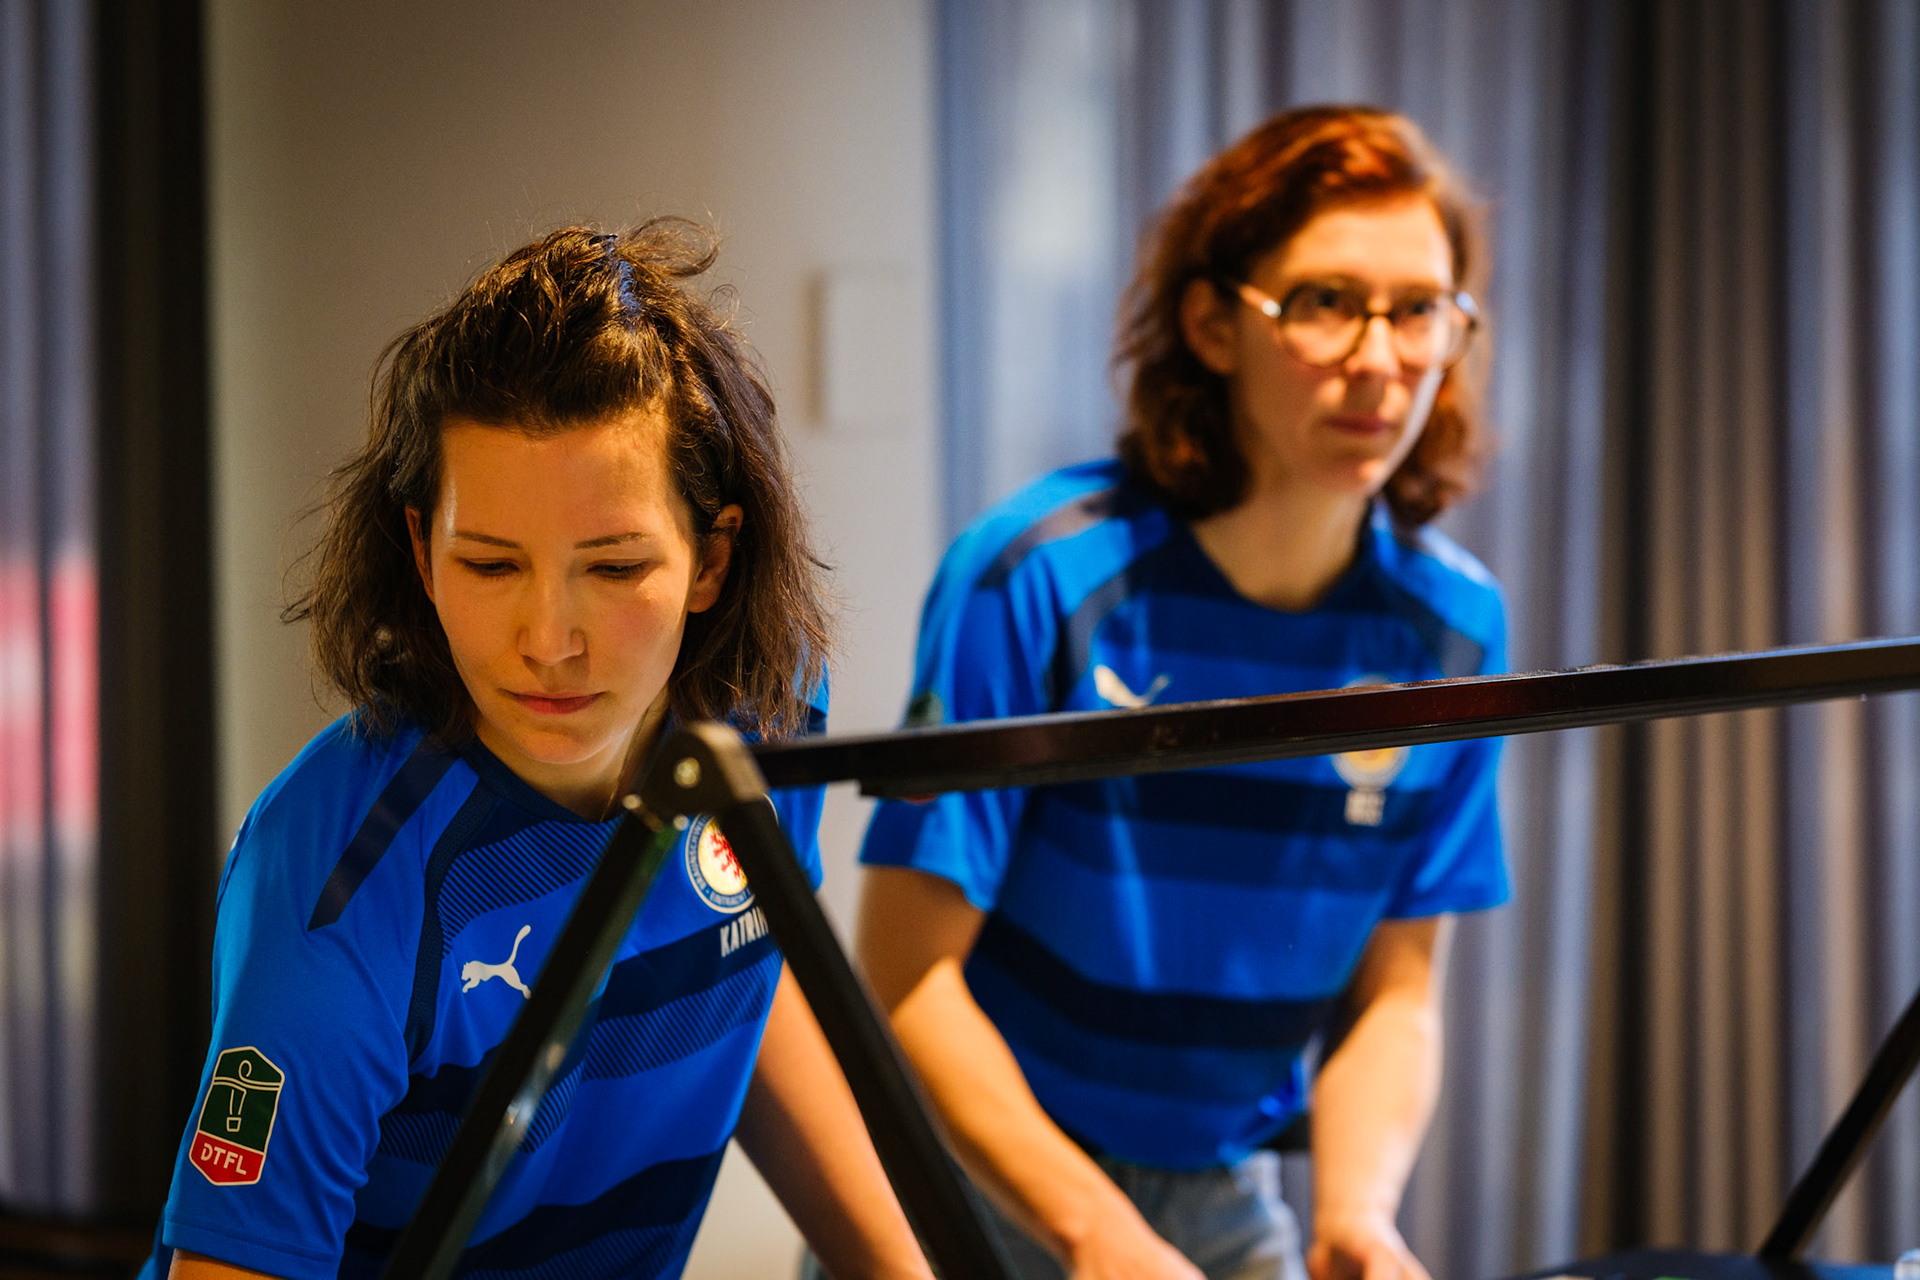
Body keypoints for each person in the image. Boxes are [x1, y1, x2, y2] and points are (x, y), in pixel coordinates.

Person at [140, 222, 933, 1280]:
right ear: (422, 552)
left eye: (614, 567)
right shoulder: (339, 881)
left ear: (711, 559)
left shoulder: (766, 711)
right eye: (491, 564)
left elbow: (736, 960)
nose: (549, 642)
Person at [853, 106, 1505, 1280]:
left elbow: (1398, 992)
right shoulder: (1038, 574)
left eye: (1419, 310)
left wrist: (1358, 1214)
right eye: (1325, 302)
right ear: (1212, 324)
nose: (1379, 359)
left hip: (1223, 1190)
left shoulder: (1455, 626)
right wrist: (1093, 1229)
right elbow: (907, 975)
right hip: (979, 1175)